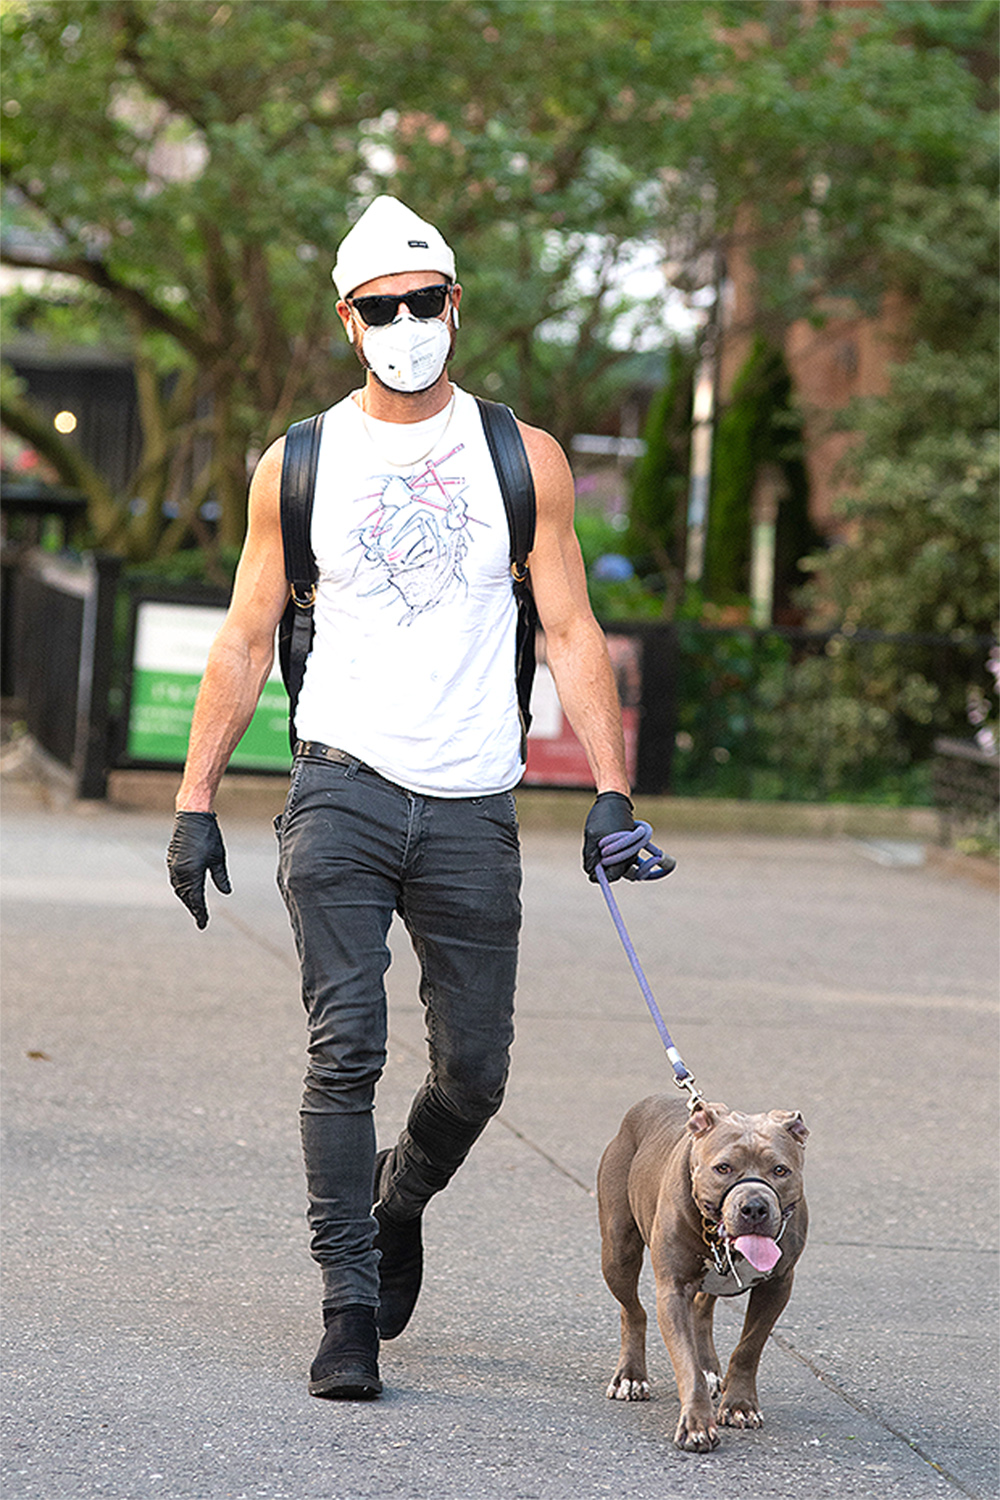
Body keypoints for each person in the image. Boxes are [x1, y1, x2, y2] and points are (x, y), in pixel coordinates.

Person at [166, 196, 670, 1401]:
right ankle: (346, 1311)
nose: (404, 324)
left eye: (422, 302)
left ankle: (400, 1202)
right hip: (338, 782)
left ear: (455, 306)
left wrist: (612, 789)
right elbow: (243, 639)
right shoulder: (298, 461)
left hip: (468, 803)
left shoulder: (520, 454)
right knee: (346, 1050)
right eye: (379, 308)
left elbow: (567, 624)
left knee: (476, 1072)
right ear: (349, 322)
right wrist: (195, 802)